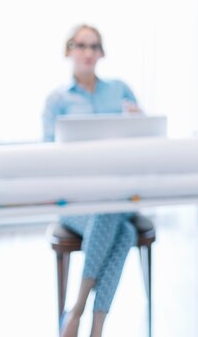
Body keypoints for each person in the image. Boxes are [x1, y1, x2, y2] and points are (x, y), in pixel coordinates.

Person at [43, 24, 140, 337]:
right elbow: (47, 155)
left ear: (101, 53)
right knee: (122, 232)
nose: (87, 52)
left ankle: (77, 310)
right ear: (69, 50)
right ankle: (95, 325)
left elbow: (145, 140)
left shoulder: (119, 90)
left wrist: (137, 121)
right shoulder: (57, 100)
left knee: (111, 207)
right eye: (81, 45)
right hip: (76, 202)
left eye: (94, 46)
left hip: (119, 195)